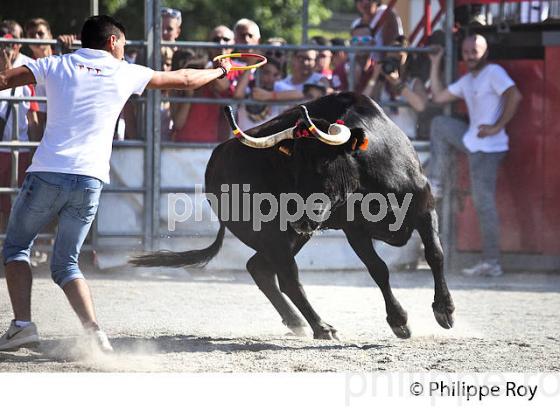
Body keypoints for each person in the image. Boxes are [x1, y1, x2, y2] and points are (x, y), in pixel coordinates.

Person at [0, 15, 232, 352]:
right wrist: (221, 71)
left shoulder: (56, 64)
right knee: (66, 263)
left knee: (16, 248)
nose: (124, 49)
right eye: (123, 43)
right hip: (90, 180)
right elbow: (184, 79)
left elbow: (5, 79)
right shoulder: (124, 72)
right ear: (112, 41)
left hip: (48, 172)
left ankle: (22, 325)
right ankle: (94, 335)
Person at [428, 34, 522, 277]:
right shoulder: (469, 79)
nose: (470, 55)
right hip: (473, 141)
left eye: (475, 51)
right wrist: (435, 61)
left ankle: (492, 262)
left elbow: (515, 95)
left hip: (490, 148)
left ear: (485, 52)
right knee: (439, 124)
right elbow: (438, 97)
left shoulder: (494, 72)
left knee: (484, 204)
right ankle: (435, 182)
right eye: (467, 51)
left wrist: (497, 126)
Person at [0, 21, 40, 231]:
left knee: (18, 206)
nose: (8, 44)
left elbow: (33, 117)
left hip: (21, 147)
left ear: (19, 43)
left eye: (12, 40)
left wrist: (36, 154)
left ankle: (14, 254)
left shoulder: (29, 67)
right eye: (3, 37)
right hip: (1, 149)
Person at [171, 25, 234, 142]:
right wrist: (189, 94)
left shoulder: (212, 73)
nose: (220, 43)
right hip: (182, 144)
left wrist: (210, 69)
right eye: (215, 40)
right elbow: (178, 124)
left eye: (226, 39)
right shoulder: (184, 80)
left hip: (212, 145)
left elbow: (223, 87)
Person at [366, 36, 429, 139]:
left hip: (407, 140)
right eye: (390, 57)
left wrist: (397, 83)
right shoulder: (381, 84)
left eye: (398, 58)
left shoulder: (414, 82)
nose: (394, 60)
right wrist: (375, 76)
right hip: (385, 141)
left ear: (407, 59)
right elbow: (362, 103)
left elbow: (420, 106)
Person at [233, 57, 282, 130]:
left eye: (275, 75)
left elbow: (298, 95)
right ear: (259, 72)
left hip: (268, 139)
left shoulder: (280, 89)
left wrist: (269, 96)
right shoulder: (248, 87)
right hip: (244, 138)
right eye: (266, 73)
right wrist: (251, 63)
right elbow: (237, 95)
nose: (270, 78)